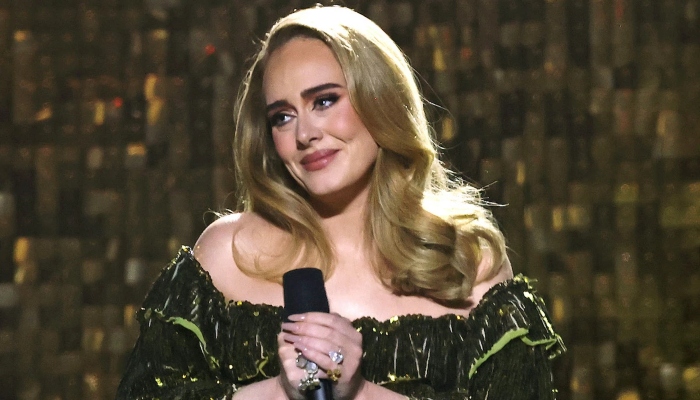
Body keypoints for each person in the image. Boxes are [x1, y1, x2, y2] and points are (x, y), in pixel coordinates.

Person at [116, 5, 565, 400]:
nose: (304, 133)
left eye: (325, 100)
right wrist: (278, 392)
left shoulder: (467, 262)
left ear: (380, 100)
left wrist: (361, 392)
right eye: (282, 116)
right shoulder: (229, 255)